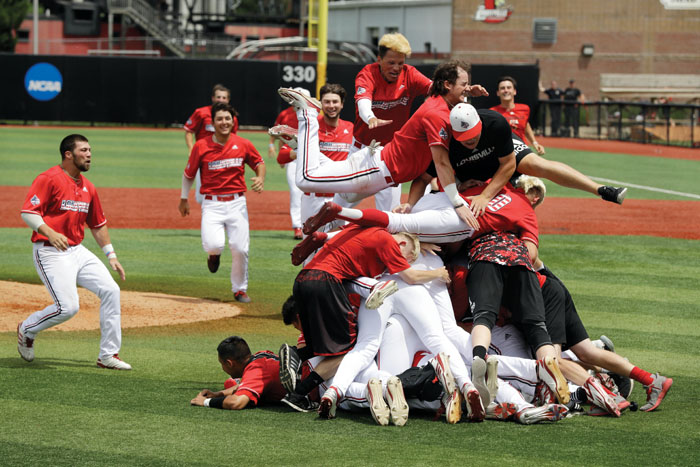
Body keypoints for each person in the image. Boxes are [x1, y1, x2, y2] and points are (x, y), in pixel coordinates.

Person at [278, 60, 483, 232]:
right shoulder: (436, 112)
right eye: (464, 84)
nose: (467, 87)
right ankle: (308, 113)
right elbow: (441, 163)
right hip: (376, 169)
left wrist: (467, 93)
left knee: (346, 199)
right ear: (447, 85)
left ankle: (301, 145)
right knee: (306, 180)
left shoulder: (441, 103)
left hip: (381, 172)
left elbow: (447, 96)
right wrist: (457, 202)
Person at [17, 134, 131, 370]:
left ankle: (108, 355)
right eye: (84, 150)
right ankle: (27, 329)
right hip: (50, 251)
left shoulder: (88, 187)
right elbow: (28, 212)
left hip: (77, 250)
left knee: (111, 290)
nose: (89, 155)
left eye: (90, 150)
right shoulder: (49, 179)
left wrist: (111, 255)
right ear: (68, 154)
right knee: (67, 308)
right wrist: (50, 232)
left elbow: (97, 224)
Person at [446, 105, 628, 205]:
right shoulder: (445, 141)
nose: (470, 140)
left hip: (501, 152)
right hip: (473, 171)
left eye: (473, 134)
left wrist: (485, 196)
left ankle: (601, 190)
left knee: (537, 165)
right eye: (464, 136)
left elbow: (508, 163)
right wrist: (458, 184)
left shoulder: (495, 122)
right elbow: (437, 172)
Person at [179, 102, 265, 303]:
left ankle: (239, 289)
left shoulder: (243, 143)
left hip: (237, 203)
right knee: (214, 245)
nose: (224, 122)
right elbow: (188, 174)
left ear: (233, 121)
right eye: (219, 119)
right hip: (212, 204)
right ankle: (214, 255)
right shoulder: (201, 146)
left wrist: (260, 177)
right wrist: (183, 198)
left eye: (228, 118)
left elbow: (259, 163)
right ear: (212, 122)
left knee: (240, 248)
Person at [352, 32, 432, 211]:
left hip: (390, 153)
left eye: (400, 63)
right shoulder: (368, 73)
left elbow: (436, 88)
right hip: (362, 149)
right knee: (344, 199)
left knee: (389, 212)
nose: (396, 68)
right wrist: (370, 117)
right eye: (391, 63)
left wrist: (463, 90)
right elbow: (363, 101)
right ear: (379, 59)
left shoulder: (410, 74)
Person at [271, 83, 353, 232]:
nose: (331, 106)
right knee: (311, 242)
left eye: (335, 102)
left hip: (340, 197)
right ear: (320, 104)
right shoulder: (311, 127)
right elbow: (281, 157)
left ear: (342, 104)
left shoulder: (351, 129)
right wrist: (303, 151)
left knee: (338, 242)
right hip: (313, 198)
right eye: (327, 102)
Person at [190, 336, 286, 410]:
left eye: (222, 363)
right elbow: (247, 383)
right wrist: (217, 394)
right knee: (232, 385)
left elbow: (236, 403)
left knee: (232, 387)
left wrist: (206, 401)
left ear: (229, 363)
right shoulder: (261, 356)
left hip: (295, 398)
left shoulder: (256, 370)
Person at [184, 84, 239, 204]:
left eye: (224, 97)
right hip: (204, 157)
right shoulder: (201, 113)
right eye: (218, 97)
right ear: (213, 98)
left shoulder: (232, 118)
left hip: (223, 157)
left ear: (228, 100)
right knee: (201, 196)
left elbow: (233, 138)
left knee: (224, 190)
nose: (221, 100)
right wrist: (191, 149)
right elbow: (189, 131)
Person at [269, 87, 308, 239]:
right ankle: (297, 226)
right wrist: (273, 147)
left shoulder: (314, 116)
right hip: (292, 157)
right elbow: (278, 132)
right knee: (295, 191)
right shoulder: (285, 114)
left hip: (310, 158)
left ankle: (312, 225)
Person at [490, 76, 545, 155]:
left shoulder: (525, 109)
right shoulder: (492, 112)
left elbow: (526, 125)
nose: (506, 90)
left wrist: (535, 143)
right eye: (502, 88)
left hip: (522, 150)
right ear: (498, 93)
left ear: (514, 91)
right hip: (503, 153)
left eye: (509, 87)